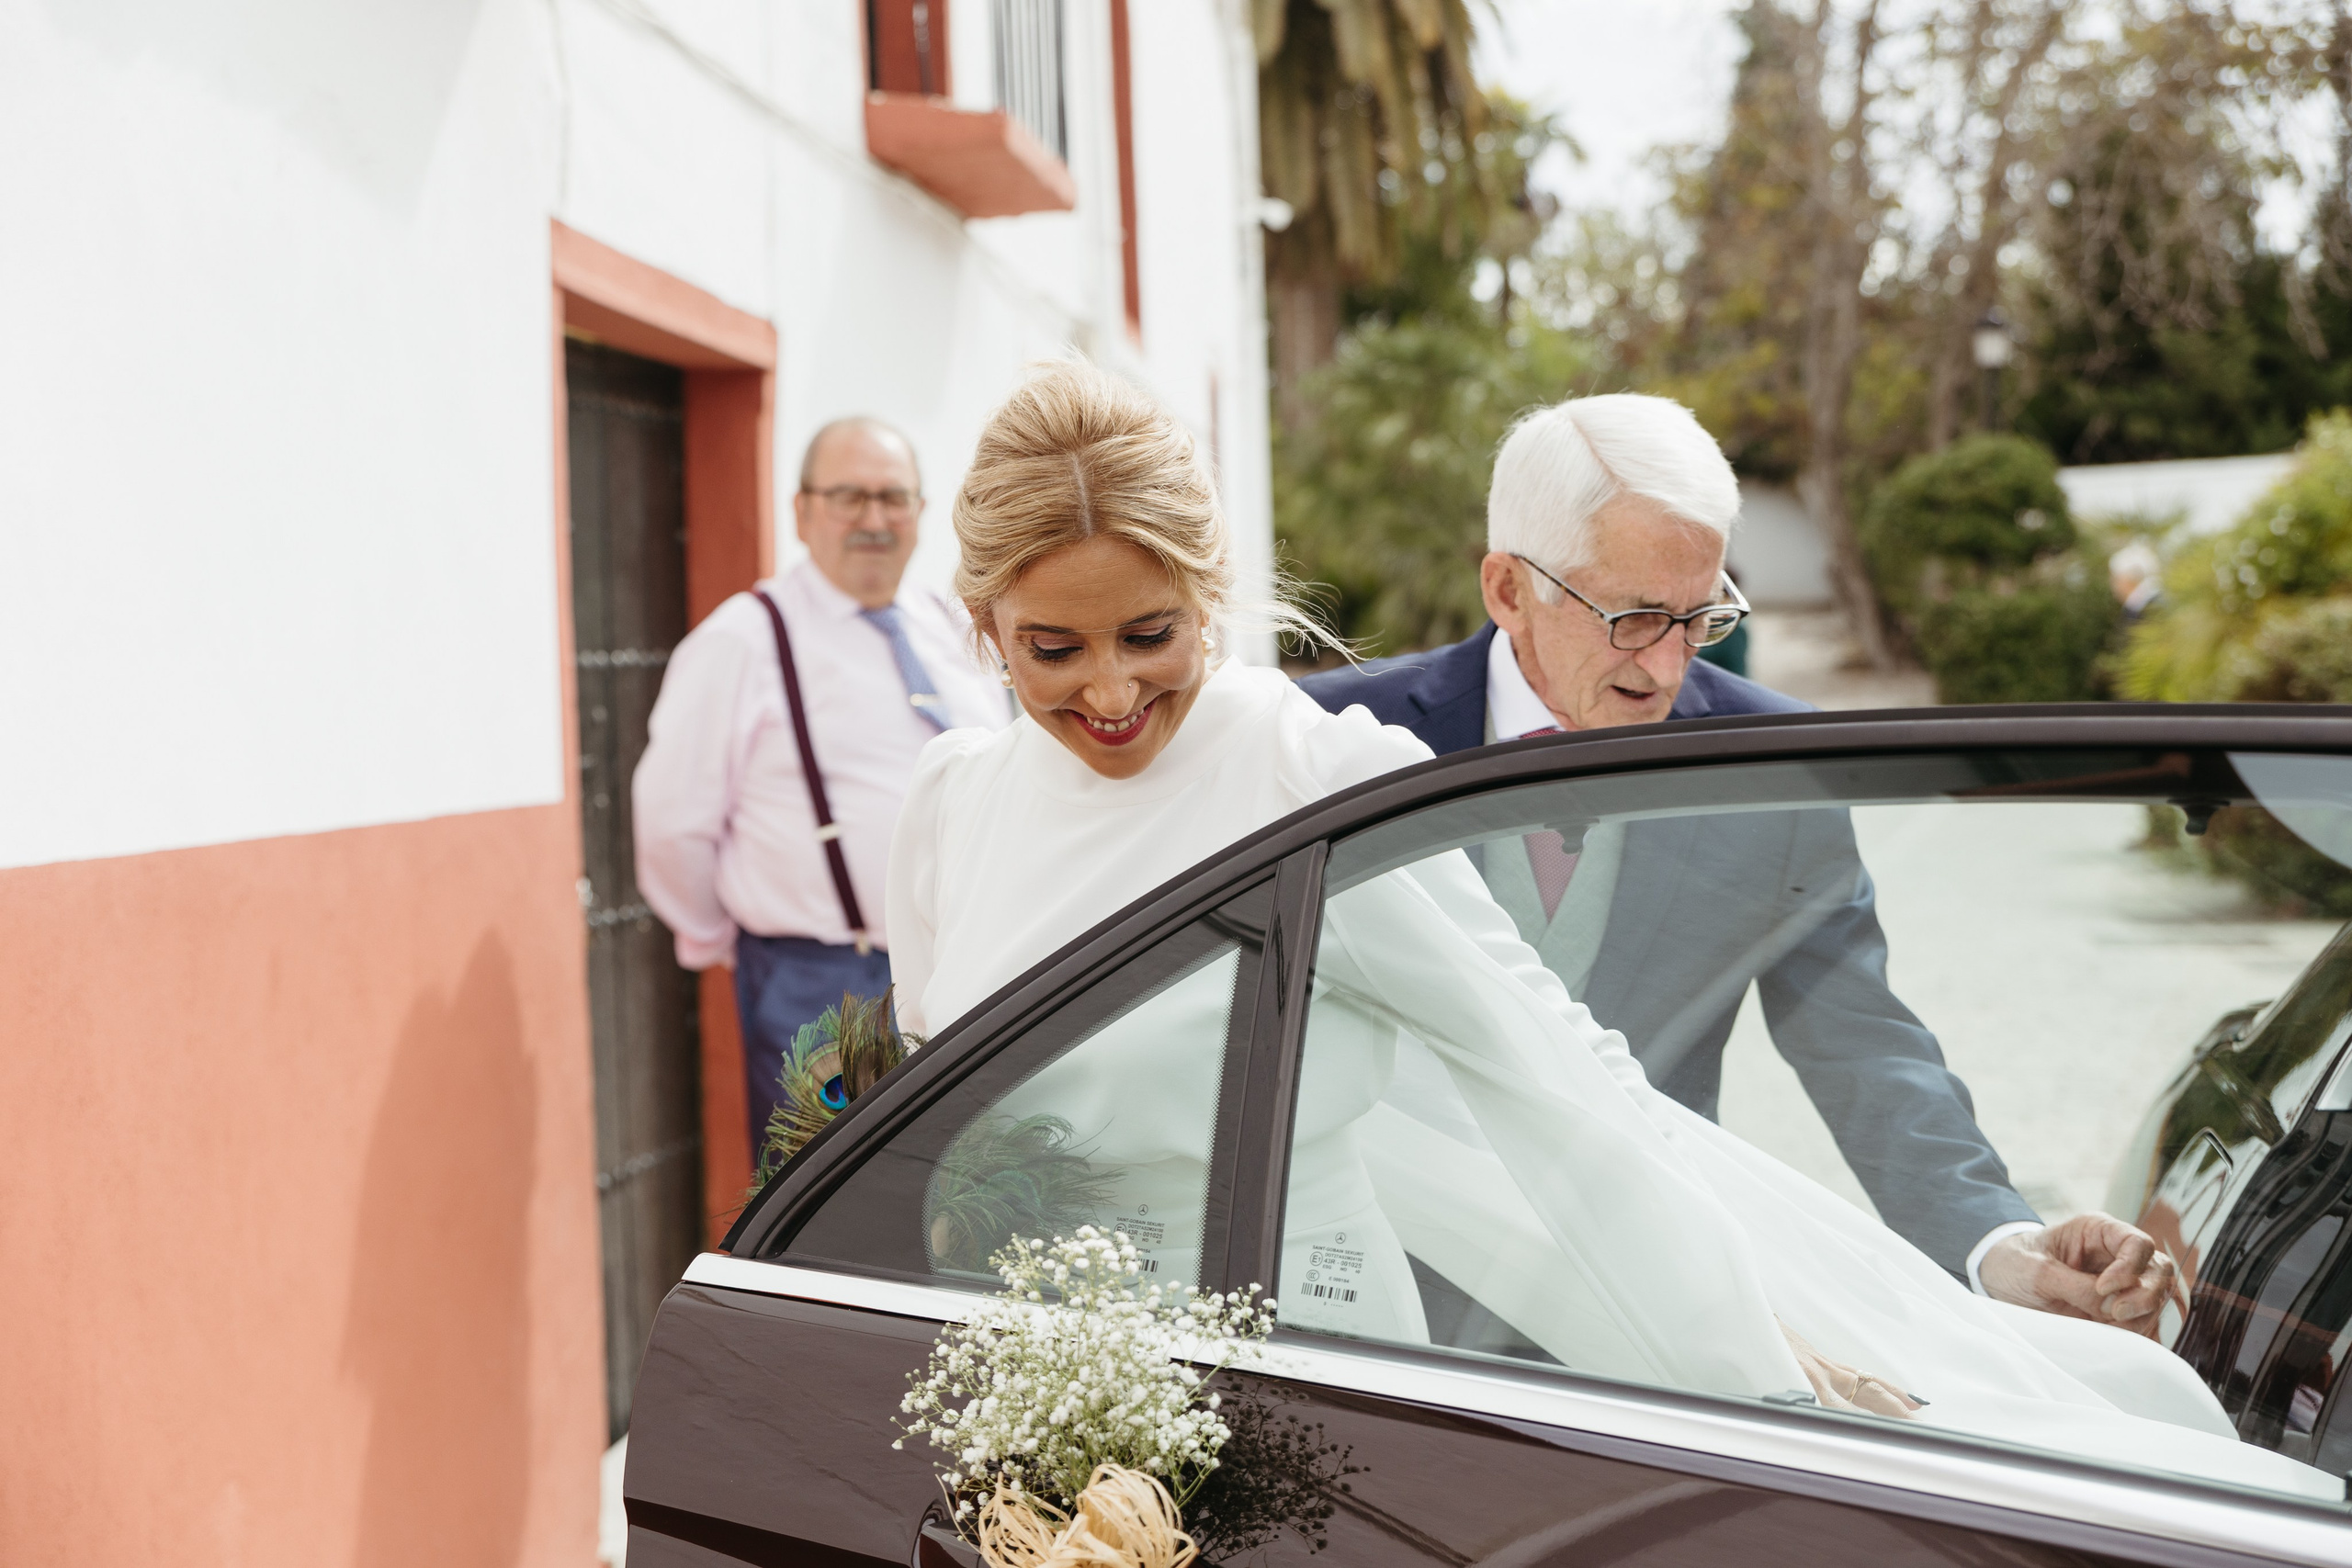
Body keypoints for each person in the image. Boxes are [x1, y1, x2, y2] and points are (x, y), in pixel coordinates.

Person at [882, 361, 2335, 1498]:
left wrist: (1759, 1354)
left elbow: (1571, 1070)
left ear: (1211, 597)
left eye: (1154, 635)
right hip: (1028, 1387)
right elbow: (922, 1127)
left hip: (1325, 1372)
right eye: (1051, 648)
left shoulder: (1306, 776)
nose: (1115, 694)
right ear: (980, 623)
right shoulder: (948, 807)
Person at [1295, 394, 2150, 1323]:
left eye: (1698, 618)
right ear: (1508, 590)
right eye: (1631, 618)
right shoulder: (1329, 740)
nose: (1666, 669)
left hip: (1642, 1312)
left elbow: (1860, 1039)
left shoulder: (1770, 765)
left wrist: (1998, 1246)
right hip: (1362, 1304)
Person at [636, 417, 1005, 1157]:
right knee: (829, 1216)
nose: (874, 519)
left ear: (922, 512)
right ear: (802, 510)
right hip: (825, 986)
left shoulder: (948, 624)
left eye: (893, 497)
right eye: (849, 496)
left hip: (969, 969)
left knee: (963, 1201)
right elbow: (673, 823)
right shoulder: (745, 636)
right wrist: (726, 935)